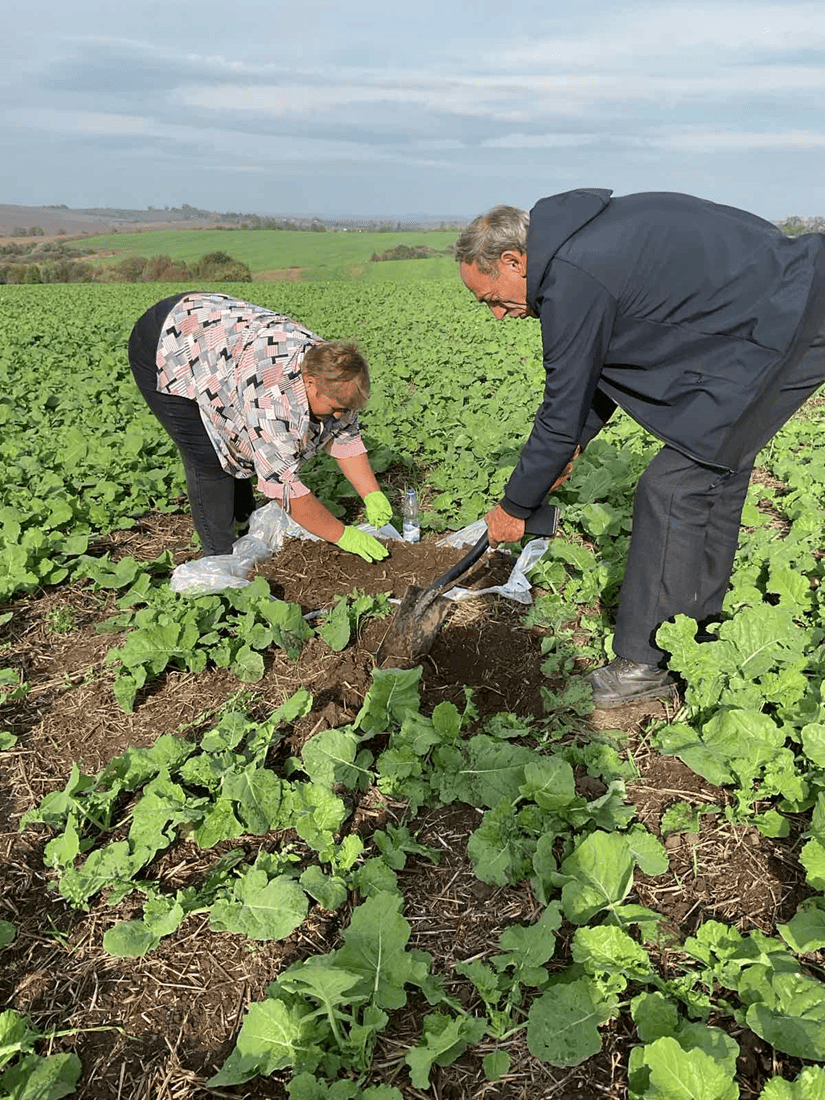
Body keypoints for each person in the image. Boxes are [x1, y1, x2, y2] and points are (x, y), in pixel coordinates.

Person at [456, 190, 825, 707]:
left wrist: (515, 507)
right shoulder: (581, 243)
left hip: (789, 320)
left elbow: (562, 406)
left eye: (491, 297)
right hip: (790, 305)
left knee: (675, 486)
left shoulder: (574, 277)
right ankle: (692, 629)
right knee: (711, 468)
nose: (498, 314)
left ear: (514, 261)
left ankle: (644, 665)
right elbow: (594, 377)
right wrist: (575, 446)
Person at [128, 291, 392, 561]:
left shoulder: (336, 373)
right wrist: (341, 534)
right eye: (335, 407)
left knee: (240, 441)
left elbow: (345, 435)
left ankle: (244, 520)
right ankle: (220, 559)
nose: (340, 415)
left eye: (346, 409)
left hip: (217, 334)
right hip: (169, 345)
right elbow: (284, 485)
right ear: (310, 382)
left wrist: (371, 493)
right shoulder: (272, 401)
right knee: (208, 458)